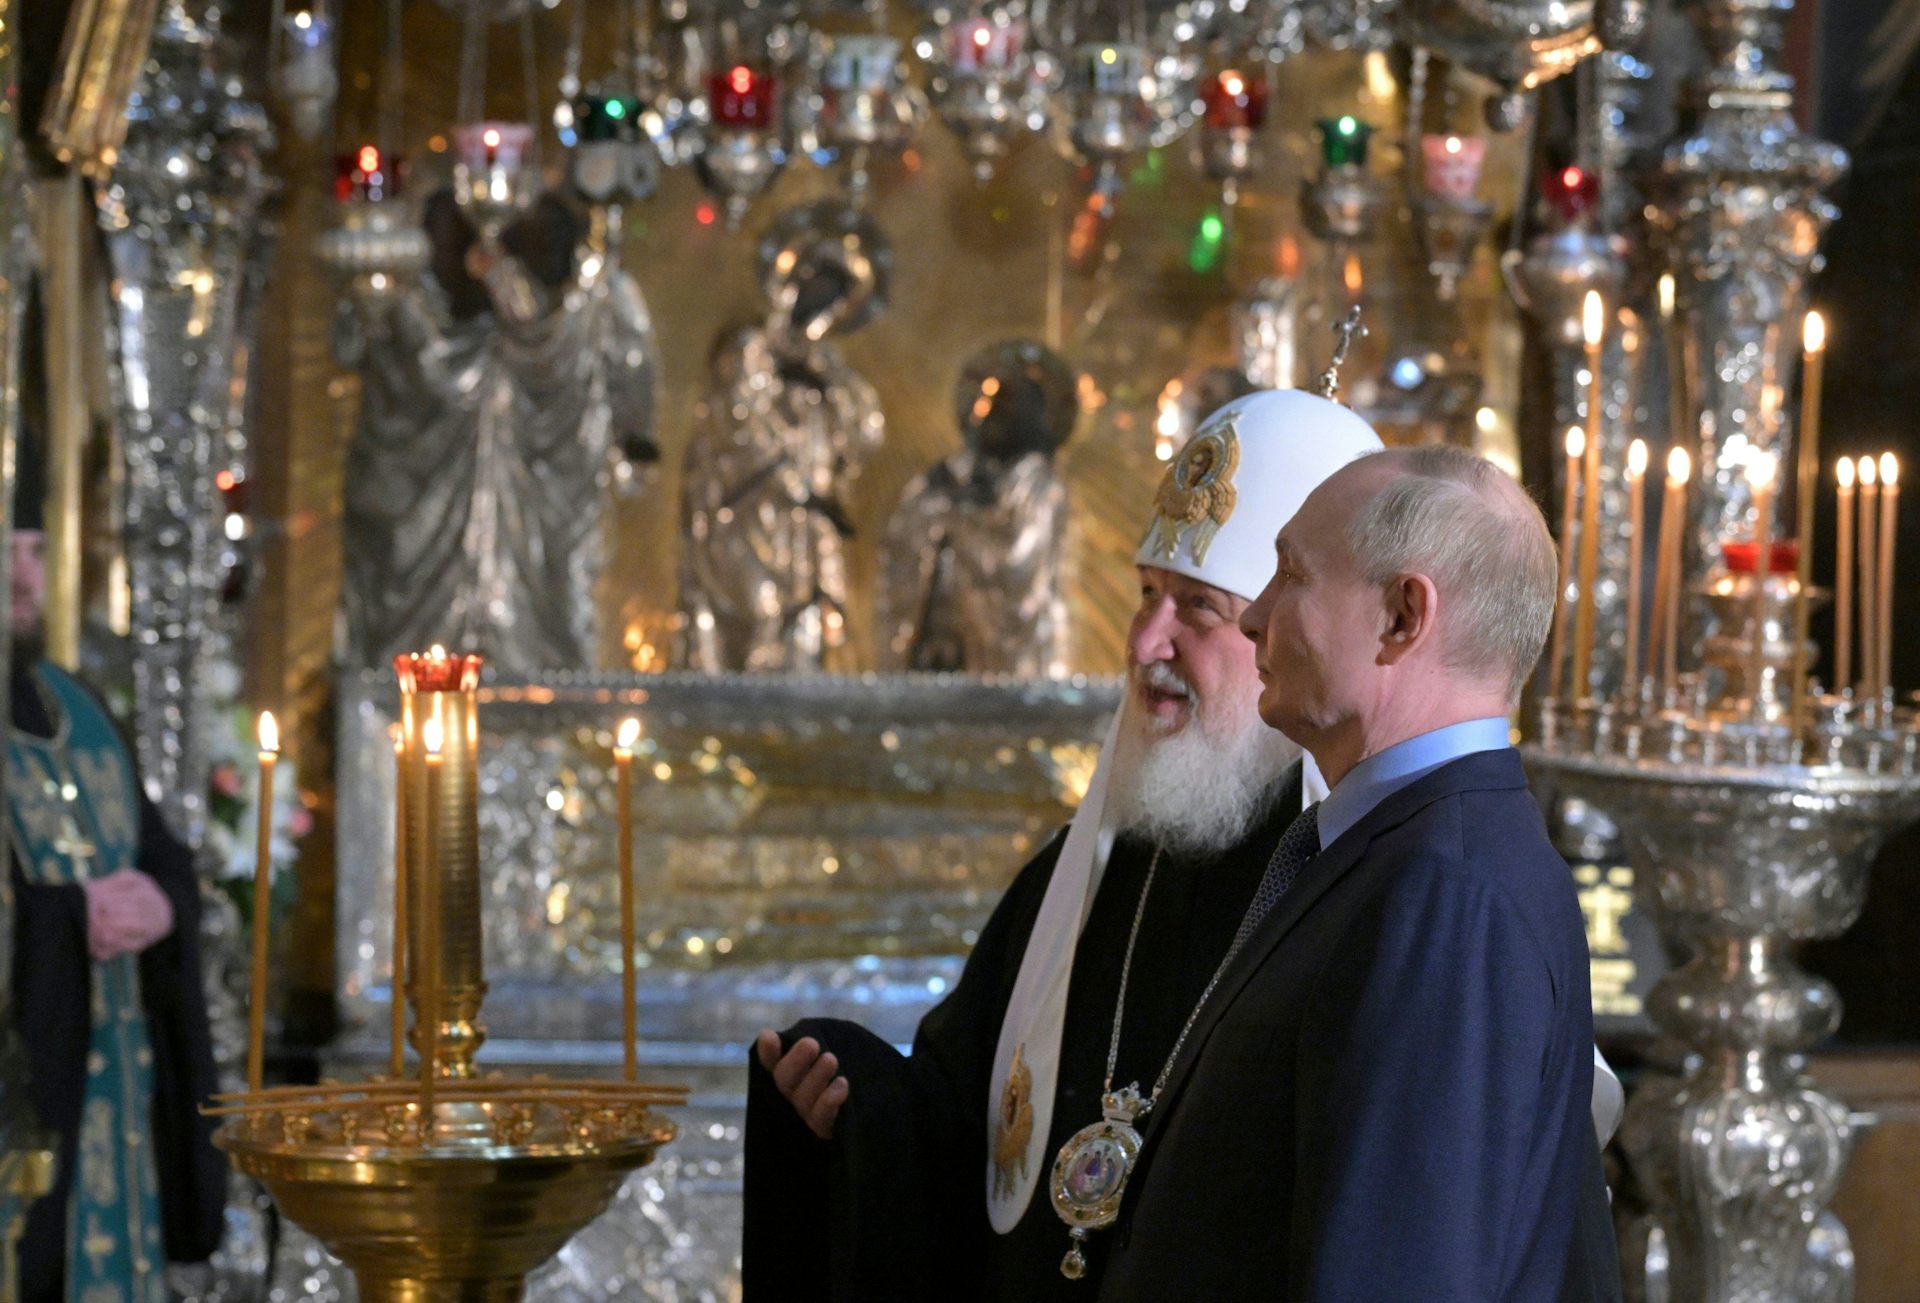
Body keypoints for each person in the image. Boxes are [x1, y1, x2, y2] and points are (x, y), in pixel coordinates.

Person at [743, 389, 1382, 1300]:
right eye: (1146, 594)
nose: (1144, 641)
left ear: (1288, 635)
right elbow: (966, 1138)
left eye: (1197, 608)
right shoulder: (1084, 876)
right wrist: (858, 1098)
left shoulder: (1346, 894)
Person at [1097, 442, 1615, 1299]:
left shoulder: (1446, 892)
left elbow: (1398, 1270)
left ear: (1404, 616)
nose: (1255, 616)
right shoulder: (1407, 849)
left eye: (1289, 575)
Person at [7, 448, 226, 1301]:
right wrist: (69, 915)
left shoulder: (77, 702)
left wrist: (161, 907)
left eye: (34, 551)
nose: (26, 577)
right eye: (7, 552)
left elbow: (165, 856)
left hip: (119, 1084)